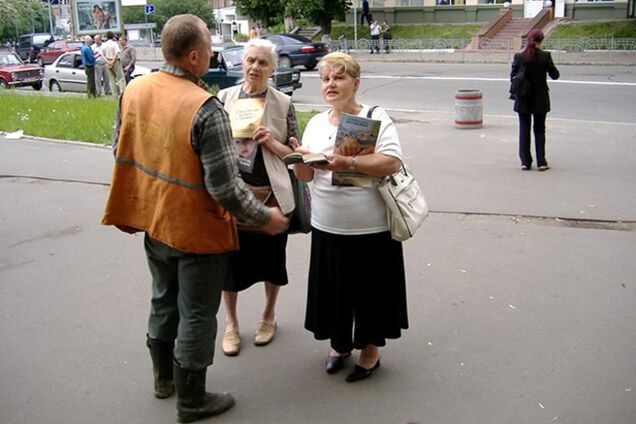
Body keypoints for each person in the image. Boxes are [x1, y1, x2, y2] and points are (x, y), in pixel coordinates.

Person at [101, 14, 289, 423]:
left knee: (162, 299)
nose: (212, 54)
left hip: (153, 220)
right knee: (198, 312)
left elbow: (118, 147)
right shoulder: (205, 108)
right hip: (197, 231)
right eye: (208, 47)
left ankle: (163, 381)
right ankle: (192, 400)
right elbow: (225, 189)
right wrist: (265, 218)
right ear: (193, 56)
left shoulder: (135, 88)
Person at [291, 52, 408, 383]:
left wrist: (347, 164)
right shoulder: (315, 123)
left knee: (370, 292)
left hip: (370, 227)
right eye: (325, 78)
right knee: (335, 291)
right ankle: (340, 345)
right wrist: (299, 158)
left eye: (339, 77)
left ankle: (370, 351)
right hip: (327, 225)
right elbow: (306, 177)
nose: (330, 84)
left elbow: (391, 163)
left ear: (356, 84)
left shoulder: (375, 116)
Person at [216, 38, 298, 357]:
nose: (255, 67)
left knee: (272, 262)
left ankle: (268, 317)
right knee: (231, 264)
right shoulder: (224, 98)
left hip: (271, 194)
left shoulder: (283, 103)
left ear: (273, 69)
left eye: (262, 63)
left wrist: (271, 141)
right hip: (235, 194)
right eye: (250, 60)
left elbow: (296, 154)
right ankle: (232, 324)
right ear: (242, 63)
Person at [510, 28, 560, 171]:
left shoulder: (519, 57)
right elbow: (555, 75)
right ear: (541, 41)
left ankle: (525, 162)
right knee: (539, 130)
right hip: (540, 98)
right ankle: (541, 162)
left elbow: (512, 76)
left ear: (528, 40)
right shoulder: (545, 56)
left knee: (524, 130)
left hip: (523, 98)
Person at [101, 31, 127, 96]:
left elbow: (102, 54)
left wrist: (108, 62)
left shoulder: (104, 44)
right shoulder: (114, 44)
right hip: (115, 61)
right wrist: (112, 62)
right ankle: (122, 94)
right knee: (120, 78)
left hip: (107, 61)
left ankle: (114, 94)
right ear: (113, 36)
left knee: (111, 79)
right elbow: (116, 53)